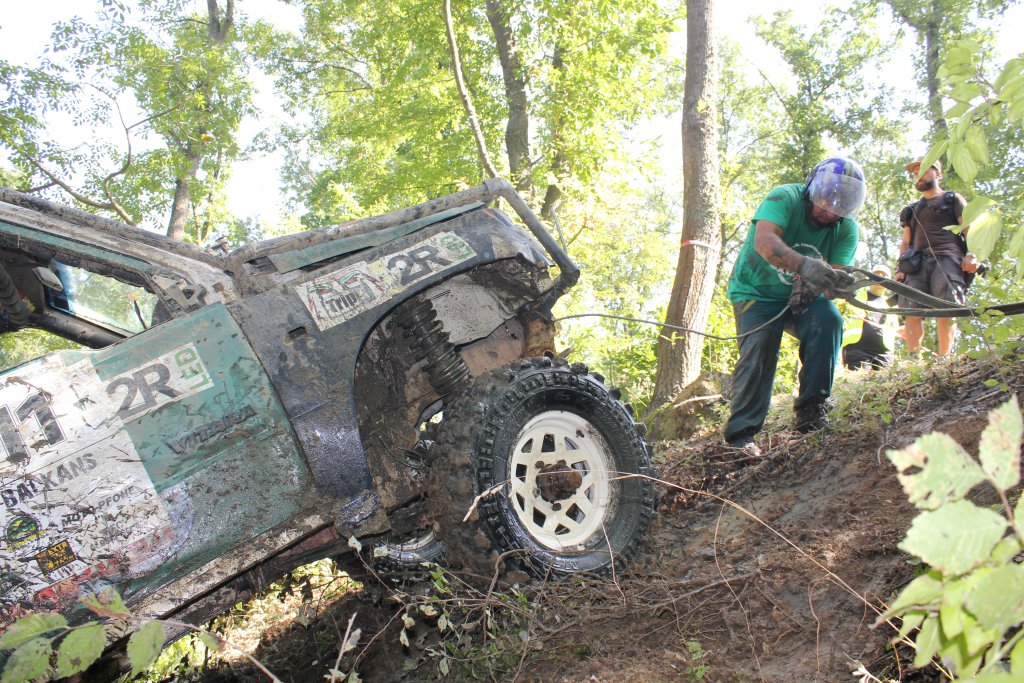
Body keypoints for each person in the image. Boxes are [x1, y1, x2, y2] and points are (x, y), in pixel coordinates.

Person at [724, 158, 865, 454]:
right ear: (813, 186)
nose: (830, 210)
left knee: (829, 321)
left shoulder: (846, 230)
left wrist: (820, 285)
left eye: (840, 203)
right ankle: (742, 436)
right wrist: (803, 266)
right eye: (827, 198)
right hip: (755, 291)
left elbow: (835, 280)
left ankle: (811, 411)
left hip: (803, 296)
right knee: (761, 345)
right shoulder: (784, 197)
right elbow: (764, 241)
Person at [895, 156, 979, 357]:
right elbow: (906, 242)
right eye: (915, 173)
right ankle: (913, 360)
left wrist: (972, 254)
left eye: (923, 170)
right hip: (916, 264)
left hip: (948, 260)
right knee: (911, 310)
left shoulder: (952, 199)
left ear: (938, 173)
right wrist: (899, 269)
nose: (918, 175)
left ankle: (945, 358)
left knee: (947, 307)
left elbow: (970, 229)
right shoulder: (912, 210)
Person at [841, 264, 897, 370]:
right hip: (856, 348)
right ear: (869, 278)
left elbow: (896, 329)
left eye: (883, 276)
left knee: (883, 384)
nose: (879, 278)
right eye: (876, 275)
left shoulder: (892, 304)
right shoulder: (856, 295)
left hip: (884, 352)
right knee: (857, 383)